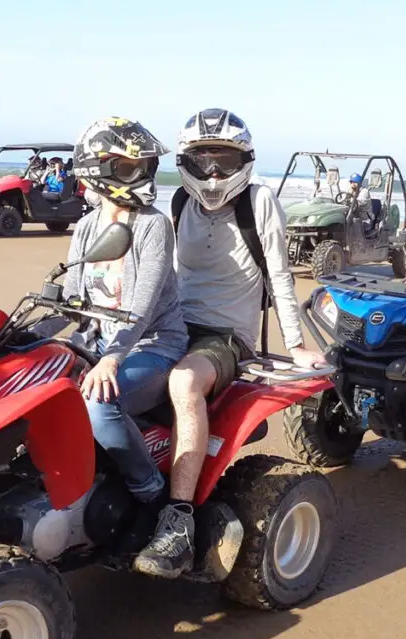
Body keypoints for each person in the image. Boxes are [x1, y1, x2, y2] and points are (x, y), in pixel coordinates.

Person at [132, 107, 327, 579]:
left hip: (226, 336)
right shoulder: (179, 203)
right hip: (174, 324)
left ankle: (178, 520)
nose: (214, 172)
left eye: (225, 159)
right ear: (186, 163)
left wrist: (296, 342)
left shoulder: (258, 202)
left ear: (245, 160)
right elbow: (162, 273)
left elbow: (279, 276)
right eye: (204, 161)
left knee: (183, 384)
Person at [62, 116, 189, 511]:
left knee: (99, 404)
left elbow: (142, 305)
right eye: (130, 168)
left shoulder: (153, 226)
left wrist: (113, 358)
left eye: (145, 167)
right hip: (98, 342)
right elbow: (70, 298)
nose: (142, 176)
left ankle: (148, 490)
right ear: (97, 171)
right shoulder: (85, 227)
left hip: (153, 344)